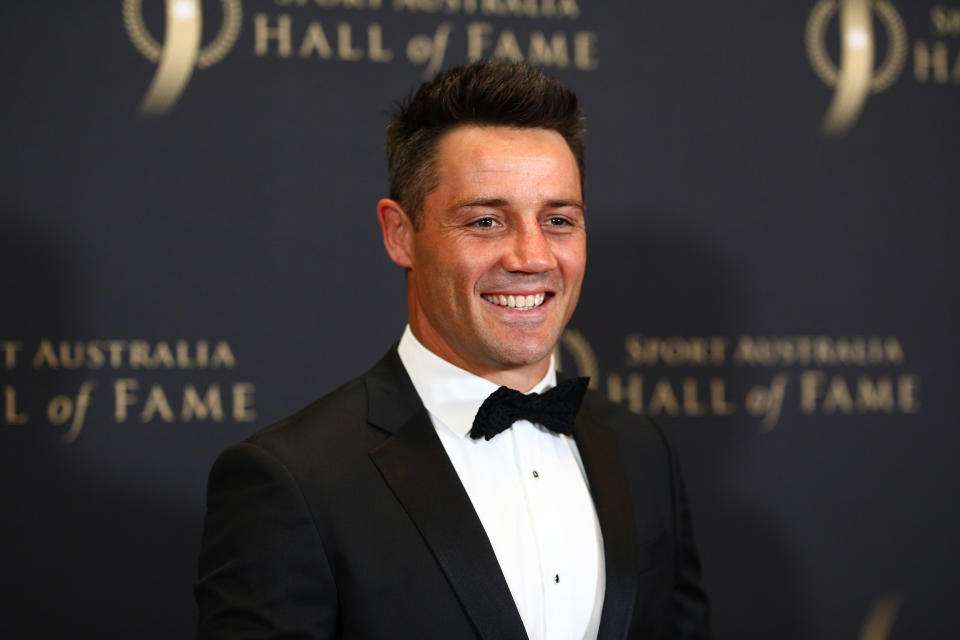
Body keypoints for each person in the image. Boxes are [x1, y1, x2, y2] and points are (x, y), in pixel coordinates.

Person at [196, 59, 710, 639]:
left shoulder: (642, 452)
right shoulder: (292, 481)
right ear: (400, 234)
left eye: (559, 219)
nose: (533, 257)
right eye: (487, 220)